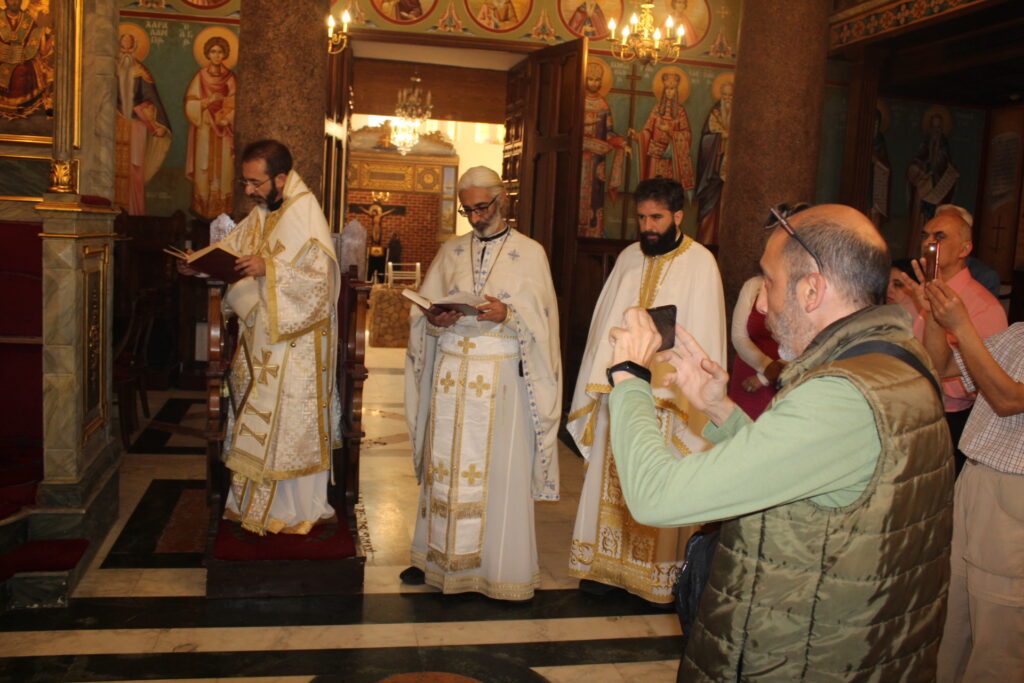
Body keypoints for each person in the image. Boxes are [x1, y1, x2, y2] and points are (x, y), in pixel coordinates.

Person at [605, 204, 953, 679]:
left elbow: (654, 495)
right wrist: (720, 409)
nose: (763, 306)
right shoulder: (893, 360)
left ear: (812, 290)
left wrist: (629, 377)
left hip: (805, 657)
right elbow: (809, 476)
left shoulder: (841, 397)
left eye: (768, 282)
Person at [402, 166, 561, 601]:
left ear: (501, 200)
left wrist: (508, 315)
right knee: (444, 469)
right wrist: (434, 319)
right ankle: (434, 558)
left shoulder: (530, 253)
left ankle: (498, 568)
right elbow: (423, 310)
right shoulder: (451, 251)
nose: (474, 217)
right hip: (451, 376)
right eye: (467, 210)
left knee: (496, 474)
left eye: (481, 207)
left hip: (500, 381)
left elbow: (544, 325)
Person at [566, 177, 725, 605]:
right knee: (610, 479)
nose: (648, 227)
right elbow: (604, 324)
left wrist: (686, 391)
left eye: (656, 218)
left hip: (668, 398)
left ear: (678, 216)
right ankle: (604, 569)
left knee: (656, 477)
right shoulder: (628, 258)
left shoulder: (701, 263)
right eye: (642, 218)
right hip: (620, 389)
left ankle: (653, 578)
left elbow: (705, 332)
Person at [177, 140, 341, 535]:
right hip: (261, 341)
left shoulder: (305, 213)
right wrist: (200, 265)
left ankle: (297, 509)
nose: (249, 190)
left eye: (255, 182)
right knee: (254, 419)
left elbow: (321, 284)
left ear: (280, 178)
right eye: (245, 182)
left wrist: (268, 268)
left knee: (288, 427)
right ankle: (252, 504)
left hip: (297, 344)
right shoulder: (264, 211)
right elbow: (232, 252)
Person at [920, 280, 1024, 682]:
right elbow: (942, 365)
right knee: (952, 622)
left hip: (1013, 497)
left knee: (998, 639)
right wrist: (934, 316)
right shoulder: (1019, 334)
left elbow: (1008, 400)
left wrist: (961, 324)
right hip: (976, 479)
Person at [898, 205, 1007, 473]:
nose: (929, 243)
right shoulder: (913, 294)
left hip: (948, 416)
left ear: (964, 249)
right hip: (903, 406)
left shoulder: (984, 305)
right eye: (925, 235)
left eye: (940, 236)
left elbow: (983, 380)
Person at [115, 31, 171, 216]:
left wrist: (159, 124)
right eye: (122, 47)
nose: (125, 52)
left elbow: (153, 99)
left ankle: (134, 213)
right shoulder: (109, 69)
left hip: (136, 126)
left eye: (129, 47)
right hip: (114, 125)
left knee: (135, 168)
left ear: (134, 48)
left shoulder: (142, 72)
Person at [184, 36, 237, 219]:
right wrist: (207, 102)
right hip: (205, 127)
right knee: (204, 167)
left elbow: (236, 102)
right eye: (213, 51)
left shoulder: (230, 78)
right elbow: (190, 104)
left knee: (225, 170)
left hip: (224, 129)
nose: (217, 55)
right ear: (207, 54)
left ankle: (223, 209)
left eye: (220, 52)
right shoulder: (200, 77)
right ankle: (203, 208)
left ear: (225, 54)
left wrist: (227, 117)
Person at [579, 60, 627, 237]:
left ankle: (593, 231)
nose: (594, 83)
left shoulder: (603, 104)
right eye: (590, 79)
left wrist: (619, 142)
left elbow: (608, 132)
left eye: (597, 80)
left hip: (597, 161)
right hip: (579, 159)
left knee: (595, 195)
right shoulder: (578, 102)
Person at [635, 71, 695, 193]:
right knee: (653, 187)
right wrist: (638, 136)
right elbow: (647, 129)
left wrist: (669, 130)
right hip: (655, 154)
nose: (669, 92)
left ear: (676, 91)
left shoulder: (680, 111)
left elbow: (687, 134)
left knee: (668, 190)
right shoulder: (657, 109)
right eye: (667, 88)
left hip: (671, 155)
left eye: (672, 89)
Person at [0, 0, 53, 119]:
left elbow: (34, 40)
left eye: (17, 0)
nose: (14, 2)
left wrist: (44, 36)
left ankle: (22, 103)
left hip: (22, 58)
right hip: (2, 58)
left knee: (23, 70)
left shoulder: (28, 20)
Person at [694, 77, 732, 245]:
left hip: (731, 172)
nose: (727, 100)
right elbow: (706, 139)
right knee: (710, 208)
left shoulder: (740, 116)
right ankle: (706, 240)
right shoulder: (715, 113)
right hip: (714, 171)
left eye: (731, 97)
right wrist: (720, 137)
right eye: (725, 96)